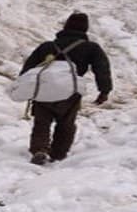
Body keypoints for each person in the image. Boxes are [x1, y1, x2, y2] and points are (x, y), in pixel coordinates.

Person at [20, 12, 112, 165]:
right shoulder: (91, 48)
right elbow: (102, 69)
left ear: (66, 26)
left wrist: (25, 85)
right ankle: (59, 154)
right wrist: (104, 90)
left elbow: (29, 67)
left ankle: (39, 150)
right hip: (70, 92)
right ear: (85, 29)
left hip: (44, 89)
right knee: (66, 123)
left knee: (42, 123)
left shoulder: (47, 46)